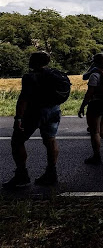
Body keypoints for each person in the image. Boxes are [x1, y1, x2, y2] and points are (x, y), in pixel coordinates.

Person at [3, 52, 62, 189]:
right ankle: (51, 173)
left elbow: (23, 99)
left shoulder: (29, 77)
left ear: (33, 61)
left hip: (36, 112)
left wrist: (18, 118)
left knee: (17, 141)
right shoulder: (54, 74)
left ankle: (22, 175)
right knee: (50, 139)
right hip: (54, 110)